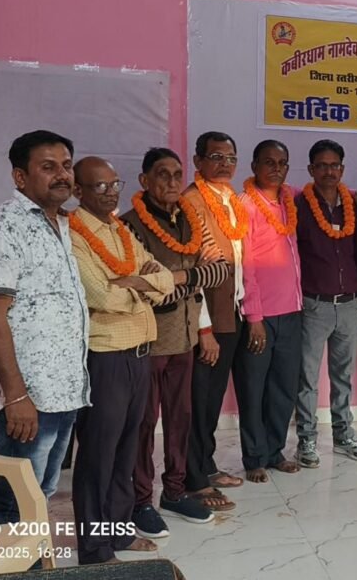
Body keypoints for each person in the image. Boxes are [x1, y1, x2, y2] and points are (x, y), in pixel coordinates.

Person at [0, 130, 90, 524]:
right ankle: (14, 558)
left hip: (62, 390)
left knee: (40, 496)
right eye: (48, 167)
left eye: (66, 166)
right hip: (25, 396)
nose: (62, 175)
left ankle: (32, 555)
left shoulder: (59, 225)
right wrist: (16, 396)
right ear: (20, 177)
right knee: (16, 502)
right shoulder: (1, 229)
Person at [69, 157, 182, 563]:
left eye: (114, 184)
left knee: (125, 451)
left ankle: (117, 532)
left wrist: (133, 281)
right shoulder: (74, 234)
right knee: (99, 455)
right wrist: (142, 286)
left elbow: (165, 279)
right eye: (100, 186)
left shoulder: (120, 229)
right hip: (106, 357)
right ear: (78, 191)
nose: (110, 192)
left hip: (140, 353)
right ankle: (94, 548)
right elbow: (100, 295)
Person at [121, 148, 231, 538]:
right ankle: (140, 501)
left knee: (180, 419)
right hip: (149, 341)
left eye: (176, 174)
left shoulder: (191, 219)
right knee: (144, 424)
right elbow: (146, 290)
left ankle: (175, 491)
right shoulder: (130, 225)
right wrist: (187, 278)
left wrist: (179, 278)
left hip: (185, 338)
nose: (171, 182)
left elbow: (221, 269)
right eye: (162, 174)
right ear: (144, 180)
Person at [293, 139, 357, 467]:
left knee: (344, 376)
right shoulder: (298, 205)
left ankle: (343, 435)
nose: (329, 171)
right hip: (314, 306)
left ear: (342, 169)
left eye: (334, 165)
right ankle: (307, 440)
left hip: (351, 306)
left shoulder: (353, 204)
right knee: (307, 378)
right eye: (322, 166)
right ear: (311, 169)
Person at [182, 131, 245, 511]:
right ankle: (193, 479)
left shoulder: (230, 199)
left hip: (230, 312)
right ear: (198, 161)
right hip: (206, 320)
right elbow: (197, 270)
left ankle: (206, 466)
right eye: (217, 157)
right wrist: (204, 329)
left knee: (211, 400)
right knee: (198, 401)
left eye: (230, 158)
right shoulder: (192, 201)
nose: (225, 164)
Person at [235, 140, 303, 482]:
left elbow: (323, 190)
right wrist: (254, 318)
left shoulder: (289, 199)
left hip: (293, 312)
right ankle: (254, 458)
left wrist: (354, 194)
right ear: (254, 166)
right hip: (260, 317)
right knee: (253, 389)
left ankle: (275, 451)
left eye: (282, 163)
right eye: (268, 162)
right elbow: (245, 265)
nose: (276, 168)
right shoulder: (246, 205)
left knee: (283, 389)